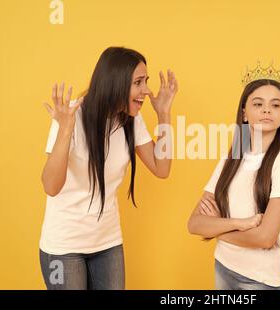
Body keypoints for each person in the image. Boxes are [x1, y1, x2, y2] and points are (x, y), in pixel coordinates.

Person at [39, 46, 178, 289]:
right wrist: (64, 130)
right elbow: (51, 186)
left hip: (107, 242)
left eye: (146, 81)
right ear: (115, 82)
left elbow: (161, 168)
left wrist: (164, 115)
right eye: (138, 82)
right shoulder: (71, 115)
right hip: (64, 247)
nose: (146, 90)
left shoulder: (131, 119)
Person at [188, 64, 280, 290]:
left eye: (275, 105)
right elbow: (194, 223)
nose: (267, 110)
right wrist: (240, 224)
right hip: (224, 266)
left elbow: (265, 238)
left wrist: (218, 229)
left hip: (259, 279)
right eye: (258, 104)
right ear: (244, 112)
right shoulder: (234, 156)